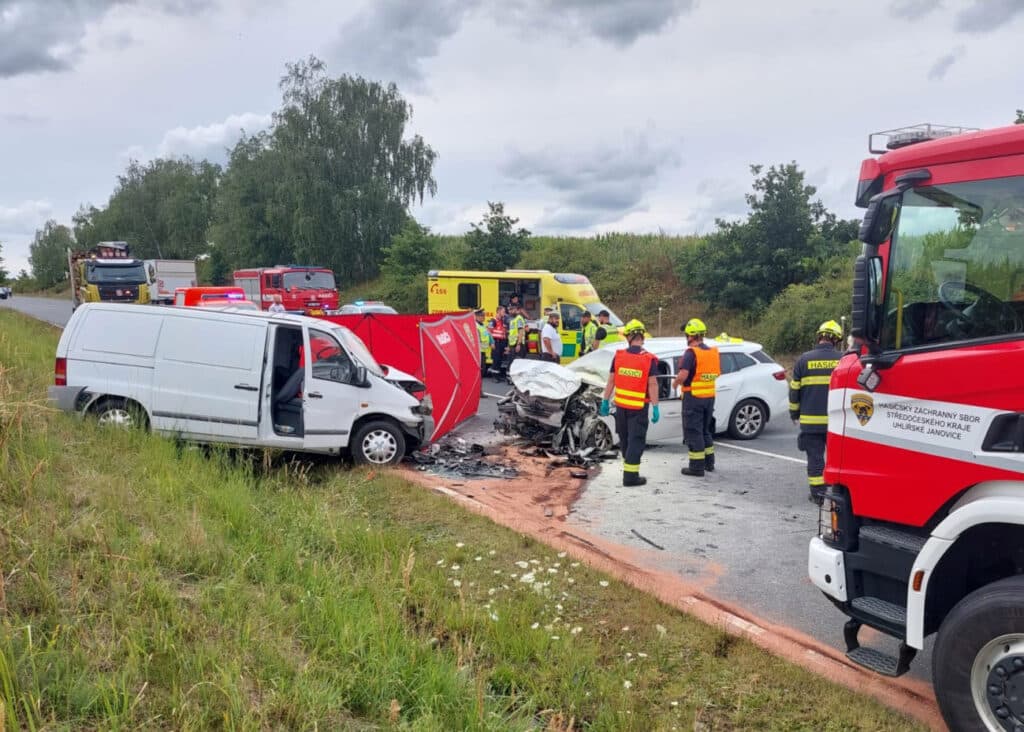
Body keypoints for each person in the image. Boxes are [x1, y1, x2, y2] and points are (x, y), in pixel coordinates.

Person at [599, 319, 660, 486]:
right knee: (636, 441)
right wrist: (655, 406)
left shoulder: (619, 357)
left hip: (621, 408)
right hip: (638, 409)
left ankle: (629, 469)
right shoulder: (648, 359)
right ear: (642, 337)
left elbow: (611, 381)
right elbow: (653, 384)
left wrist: (605, 401)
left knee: (625, 440)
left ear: (628, 337)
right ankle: (631, 477)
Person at [790, 320, 843, 504]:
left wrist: (793, 414)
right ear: (836, 340)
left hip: (811, 422)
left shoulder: (804, 359)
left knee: (815, 458)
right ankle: (839, 495)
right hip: (837, 422)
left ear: (819, 336)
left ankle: (818, 495)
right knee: (838, 460)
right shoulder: (843, 360)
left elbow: (794, 390)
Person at [673, 318, 720, 477]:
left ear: (691, 336)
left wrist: (675, 384)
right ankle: (709, 463)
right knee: (705, 431)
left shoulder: (691, 353)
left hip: (693, 398)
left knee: (694, 432)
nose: (686, 338)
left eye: (686, 335)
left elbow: (683, 374)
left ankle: (696, 467)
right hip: (709, 397)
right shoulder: (712, 352)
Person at [475, 308, 493, 396]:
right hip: (478, 352)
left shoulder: (482, 325)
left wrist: (492, 342)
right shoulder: (476, 326)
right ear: (477, 316)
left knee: (482, 372)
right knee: (479, 373)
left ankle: (479, 390)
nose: (484, 317)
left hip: (483, 351)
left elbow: (488, 335)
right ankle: (478, 391)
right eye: (482, 316)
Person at [488, 305, 509, 379]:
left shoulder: (503, 321)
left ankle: (498, 375)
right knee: (496, 359)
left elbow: (505, 332)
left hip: (502, 342)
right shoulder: (493, 321)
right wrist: (492, 342)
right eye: (503, 311)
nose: (504, 313)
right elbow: (489, 332)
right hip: (496, 342)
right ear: (499, 311)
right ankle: (494, 376)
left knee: (500, 359)